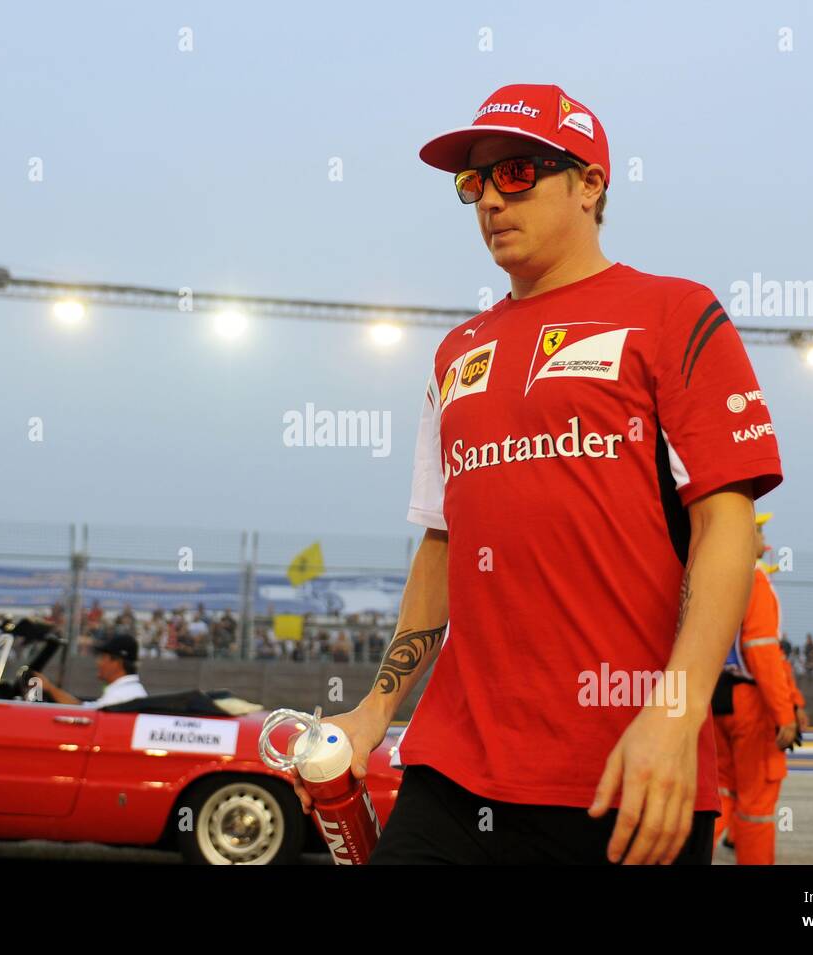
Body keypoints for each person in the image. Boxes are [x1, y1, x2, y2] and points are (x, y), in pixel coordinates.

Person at [290, 83, 784, 865]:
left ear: (590, 183)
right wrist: (376, 709)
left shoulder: (675, 314)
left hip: (627, 773)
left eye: (517, 172)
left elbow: (726, 524)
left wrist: (676, 712)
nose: (490, 199)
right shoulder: (457, 351)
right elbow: (443, 542)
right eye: (474, 182)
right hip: (451, 770)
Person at [712, 512, 797, 864]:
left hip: (716, 699)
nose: (765, 539)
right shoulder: (755, 581)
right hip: (751, 702)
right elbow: (763, 652)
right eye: (758, 530)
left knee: (721, 793)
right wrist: (784, 713)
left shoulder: (715, 577)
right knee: (758, 804)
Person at [31, 633, 147, 708]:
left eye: (103, 657)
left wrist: (50, 688)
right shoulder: (127, 691)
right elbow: (82, 707)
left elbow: (85, 713)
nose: (98, 662)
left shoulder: (121, 696)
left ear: (117, 663)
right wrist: (50, 688)